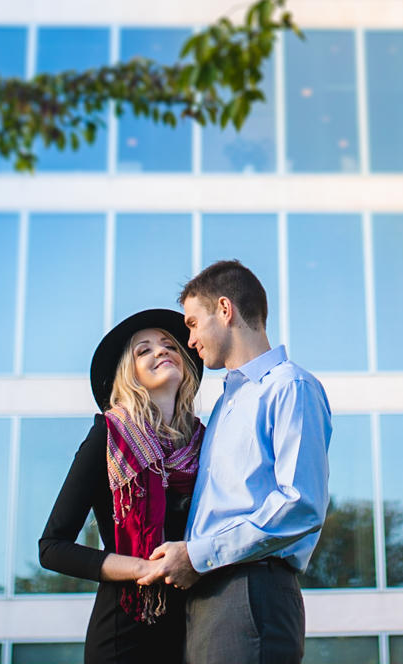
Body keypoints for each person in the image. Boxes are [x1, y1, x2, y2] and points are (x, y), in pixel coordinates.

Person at [141, 259, 332, 664]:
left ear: (225, 310)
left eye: (192, 323)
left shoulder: (288, 387)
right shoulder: (226, 404)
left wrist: (198, 554)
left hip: (250, 591)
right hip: (210, 593)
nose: (189, 340)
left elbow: (300, 504)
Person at [40, 308, 205, 664]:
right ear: (129, 375)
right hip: (123, 636)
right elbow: (52, 547)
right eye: (143, 350)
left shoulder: (206, 443)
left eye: (168, 345)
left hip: (191, 630)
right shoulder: (109, 437)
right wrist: (145, 569)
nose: (161, 351)